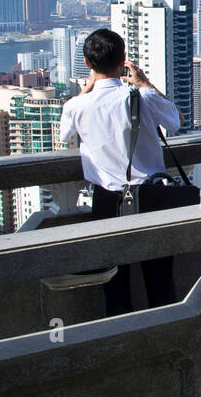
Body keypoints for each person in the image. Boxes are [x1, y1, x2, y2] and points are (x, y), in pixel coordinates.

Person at [58, 28, 182, 315]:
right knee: (161, 282)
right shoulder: (142, 97)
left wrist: (86, 89)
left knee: (113, 284)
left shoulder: (75, 106)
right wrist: (145, 83)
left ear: (88, 64)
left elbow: (64, 135)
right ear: (124, 60)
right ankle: (165, 343)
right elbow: (177, 119)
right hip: (152, 198)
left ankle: (121, 343)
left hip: (107, 201)